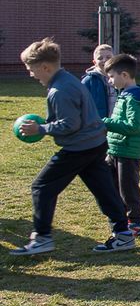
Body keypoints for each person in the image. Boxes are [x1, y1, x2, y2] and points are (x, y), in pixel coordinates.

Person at [11, 38, 132, 255]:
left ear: (45, 67)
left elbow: (69, 125)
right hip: (96, 143)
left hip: (79, 147)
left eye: (31, 69)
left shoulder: (60, 90)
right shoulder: (68, 79)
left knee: (42, 187)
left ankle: (42, 238)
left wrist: (40, 129)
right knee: (104, 189)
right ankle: (123, 235)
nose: (31, 74)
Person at [102, 53, 140, 238]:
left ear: (124, 75)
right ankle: (121, 221)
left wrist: (105, 123)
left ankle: (135, 224)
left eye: (111, 76)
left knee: (128, 190)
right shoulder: (124, 95)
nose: (110, 81)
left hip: (128, 151)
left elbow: (134, 127)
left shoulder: (134, 98)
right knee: (112, 187)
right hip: (116, 149)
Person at [81, 44, 116, 119]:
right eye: (100, 58)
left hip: (116, 125)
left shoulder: (120, 78)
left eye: (108, 57)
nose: (104, 60)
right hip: (96, 124)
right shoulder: (88, 81)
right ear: (94, 62)